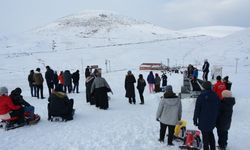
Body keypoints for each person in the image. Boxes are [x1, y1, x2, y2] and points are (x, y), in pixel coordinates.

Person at [193, 81, 220, 150]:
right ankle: (213, 148)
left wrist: (195, 119)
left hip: (203, 120)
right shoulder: (215, 95)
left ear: (204, 87)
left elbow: (197, 109)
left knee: (205, 137)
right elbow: (218, 107)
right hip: (212, 119)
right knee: (210, 133)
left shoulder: (201, 96)